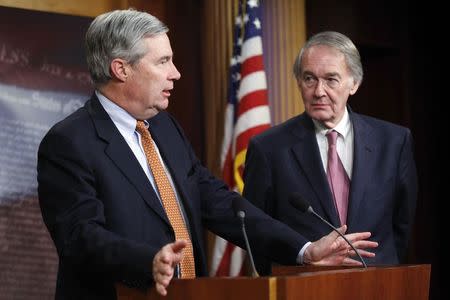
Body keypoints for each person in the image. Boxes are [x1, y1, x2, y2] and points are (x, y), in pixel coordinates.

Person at [37, 12, 378, 299]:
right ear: (121, 69)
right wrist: (148, 261)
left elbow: (220, 203)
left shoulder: (165, 127)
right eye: (163, 62)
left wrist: (303, 249)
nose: (176, 73)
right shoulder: (69, 142)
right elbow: (79, 237)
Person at [243, 31, 417, 275]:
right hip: (302, 285)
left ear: (354, 83)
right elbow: (256, 231)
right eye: (309, 79)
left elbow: (402, 226)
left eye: (331, 79)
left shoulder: (394, 142)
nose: (319, 91)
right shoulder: (269, 148)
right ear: (299, 82)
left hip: (378, 284)